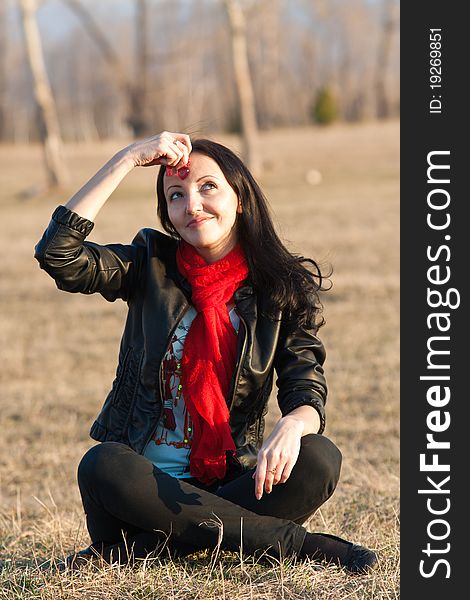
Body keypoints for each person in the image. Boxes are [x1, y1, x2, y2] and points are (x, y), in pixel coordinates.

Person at [34, 131, 377, 574]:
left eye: (207, 187)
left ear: (240, 198)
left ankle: (146, 549)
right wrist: (126, 159)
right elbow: (59, 255)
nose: (192, 204)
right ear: (169, 214)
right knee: (102, 463)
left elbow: (305, 388)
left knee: (320, 457)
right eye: (176, 195)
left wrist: (295, 422)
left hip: (229, 482)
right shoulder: (149, 263)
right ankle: (292, 545)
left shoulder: (281, 288)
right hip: (139, 490)